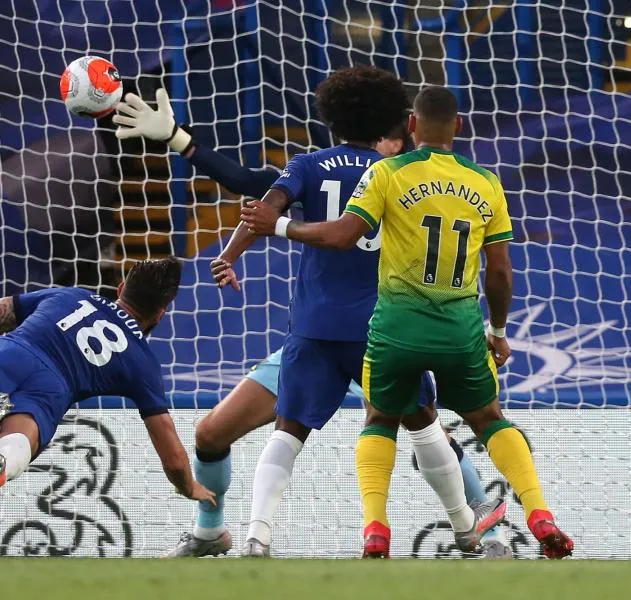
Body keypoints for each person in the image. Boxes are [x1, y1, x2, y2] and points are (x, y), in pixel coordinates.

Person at [115, 75, 511, 560]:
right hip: (325, 335)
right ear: (392, 127)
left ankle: (483, 529)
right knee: (214, 432)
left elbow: (250, 190)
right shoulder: (400, 175)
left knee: (419, 429)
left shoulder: (331, 169)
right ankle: (209, 531)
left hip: (377, 334)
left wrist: (180, 142)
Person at [240, 85, 574, 559]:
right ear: (458, 126)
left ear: (411, 125)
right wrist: (497, 331)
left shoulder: (388, 174)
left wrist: (274, 225)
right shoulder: (486, 182)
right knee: (485, 419)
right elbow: (499, 273)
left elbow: (340, 235)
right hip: (459, 328)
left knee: (378, 420)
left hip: (392, 328)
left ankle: (375, 531)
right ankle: (537, 515)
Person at [0, 257, 215, 529]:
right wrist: (189, 487)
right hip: (54, 388)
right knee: (19, 437)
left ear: (121, 287)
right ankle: (2, 467)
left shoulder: (71, 295)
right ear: (161, 313)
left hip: (15, 351)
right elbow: (173, 455)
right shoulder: (143, 362)